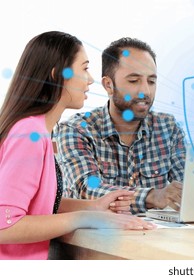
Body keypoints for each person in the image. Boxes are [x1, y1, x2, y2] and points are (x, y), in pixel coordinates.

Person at [0, 31, 155, 260]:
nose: (90, 79)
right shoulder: (28, 133)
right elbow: (6, 225)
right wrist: (84, 218)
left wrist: (93, 207)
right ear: (57, 75)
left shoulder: (37, 131)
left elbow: (38, 203)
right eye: (84, 68)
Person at [56, 37, 186, 214]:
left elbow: (185, 190)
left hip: (156, 236)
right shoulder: (76, 130)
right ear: (108, 85)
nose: (145, 91)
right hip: (95, 238)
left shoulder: (168, 127)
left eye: (151, 81)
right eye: (134, 81)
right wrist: (152, 196)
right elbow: (86, 190)